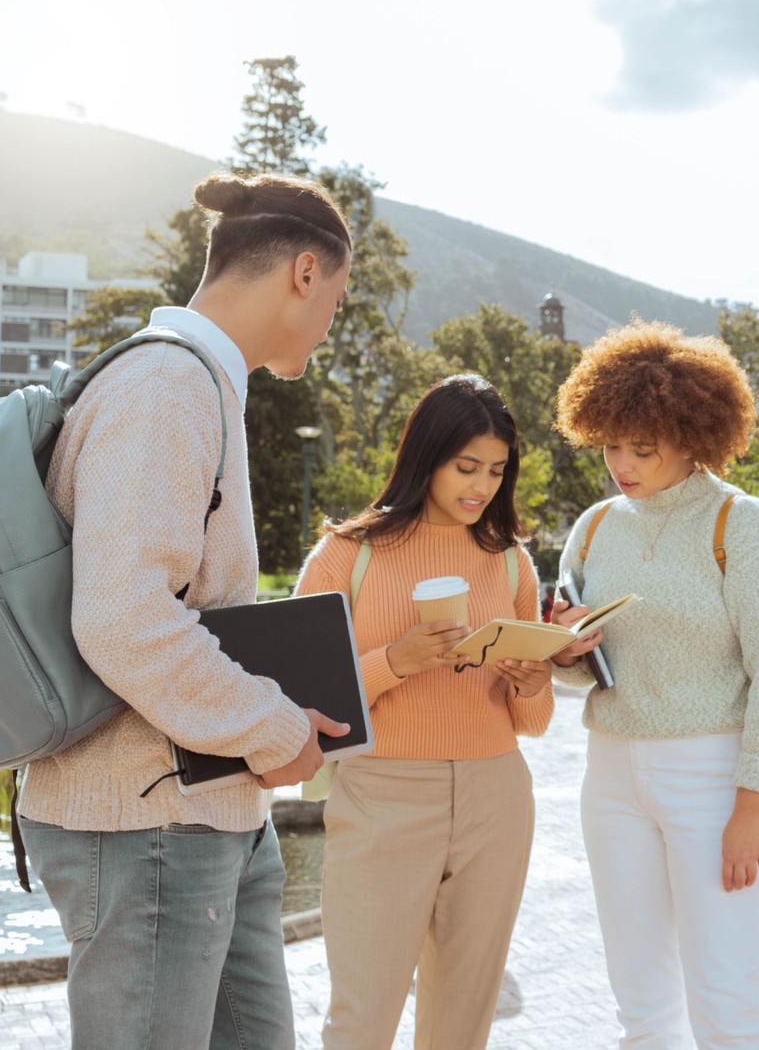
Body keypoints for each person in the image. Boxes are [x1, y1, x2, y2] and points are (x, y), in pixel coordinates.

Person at [19, 172, 352, 1049]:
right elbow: (124, 619)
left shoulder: (198, 384)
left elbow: (175, 600)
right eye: (341, 300)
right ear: (306, 272)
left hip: (205, 813)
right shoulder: (166, 388)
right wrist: (274, 725)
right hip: (145, 826)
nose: (332, 323)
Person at [292, 374, 578, 1048]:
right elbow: (299, 704)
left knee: (461, 1022)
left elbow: (530, 723)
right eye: (465, 466)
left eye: (497, 471)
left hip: (496, 800)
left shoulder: (510, 563)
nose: (480, 486)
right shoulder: (346, 556)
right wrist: (397, 661)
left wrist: (532, 679)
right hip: (382, 798)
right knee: (362, 1019)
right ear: (426, 456)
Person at [548, 321, 759, 1049]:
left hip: (715, 781)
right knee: (641, 1008)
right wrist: (565, 655)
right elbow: (578, 679)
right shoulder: (595, 527)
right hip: (611, 781)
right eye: (610, 445)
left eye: (643, 448)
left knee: (728, 1005)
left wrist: (752, 807)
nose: (621, 465)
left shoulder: (745, 526)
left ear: (693, 436)